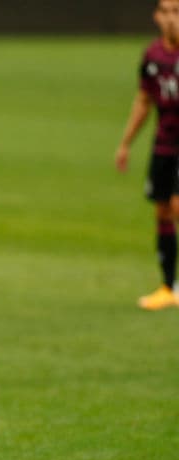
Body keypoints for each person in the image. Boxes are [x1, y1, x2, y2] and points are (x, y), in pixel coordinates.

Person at [115, 0, 179, 310]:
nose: (170, 19)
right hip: (164, 145)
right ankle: (168, 286)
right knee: (163, 211)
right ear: (156, 16)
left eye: (177, 12)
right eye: (165, 12)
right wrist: (126, 142)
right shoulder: (152, 56)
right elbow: (144, 101)